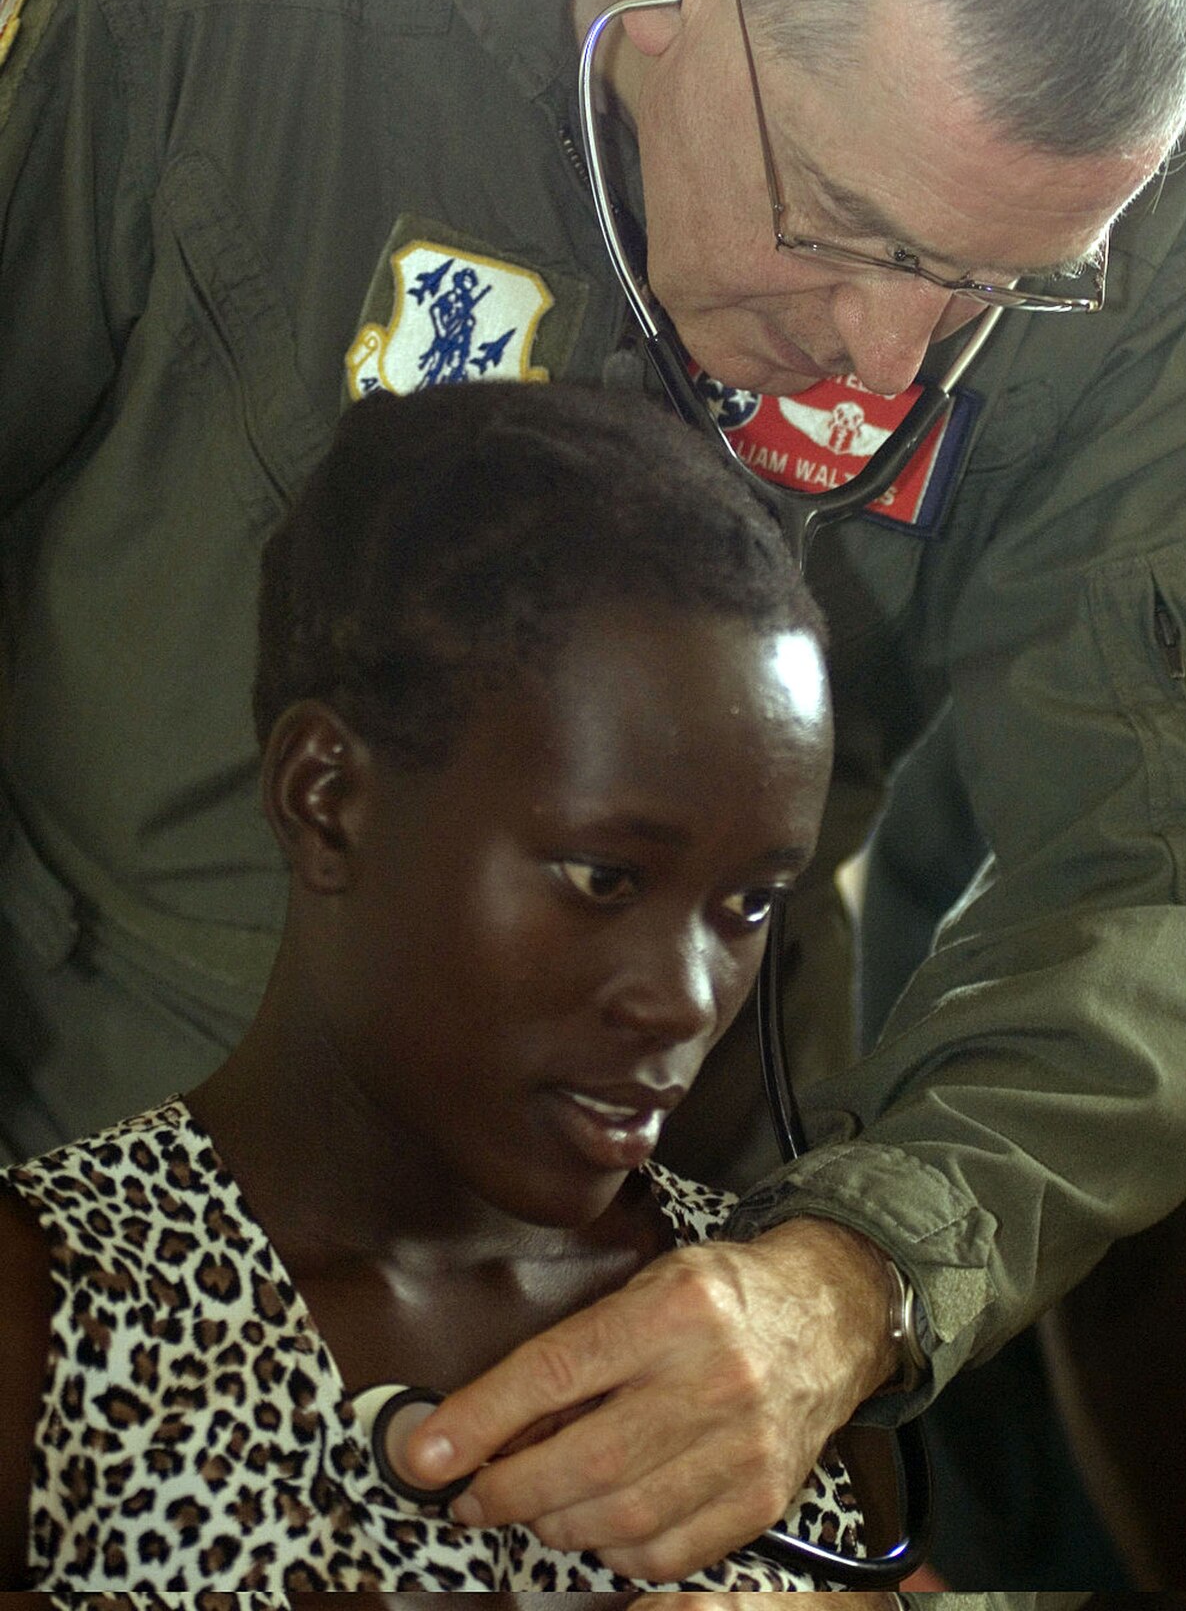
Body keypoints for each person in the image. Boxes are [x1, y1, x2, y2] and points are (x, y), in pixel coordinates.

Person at [0, 0, 1186, 1585]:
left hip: (642, 1311)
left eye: (994, 291)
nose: (887, 355)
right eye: (848, 231)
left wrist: (849, 1281)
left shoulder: (1166, 217)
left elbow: (1174, 863)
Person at [0, 378, 867, 1593]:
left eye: (752, 902)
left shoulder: (750, 1337)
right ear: (327, 799)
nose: (682, 999)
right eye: (603, 876)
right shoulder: (52, 1317)